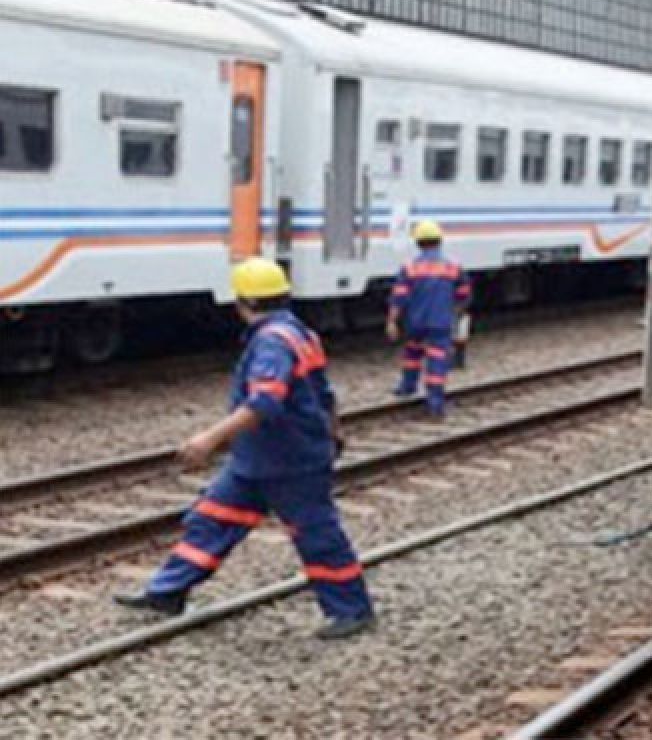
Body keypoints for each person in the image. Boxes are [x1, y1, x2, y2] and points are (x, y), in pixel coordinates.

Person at [115, 258, 375, 640]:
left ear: (243, 303)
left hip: (289, 460)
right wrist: (334, 433)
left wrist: (209, 438)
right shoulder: (301, 333)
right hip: (260, 458)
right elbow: (325, 393)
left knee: (317, 535)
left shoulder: (271, 343)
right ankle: (166, 593)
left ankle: (352, 610)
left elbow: (264, 402)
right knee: (212, 519)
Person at [386, 220, 471, 418]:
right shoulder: (453, 268)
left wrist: (392, 322)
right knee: (437, 361)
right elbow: (464, 294)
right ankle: (435, 404)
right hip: (440, 322)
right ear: (440, 241)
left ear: (417, 243)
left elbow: (399, 297)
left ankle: (407, 387)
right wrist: (456, 310)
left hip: (415, 322)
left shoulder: (409, 269)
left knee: (412, 354)